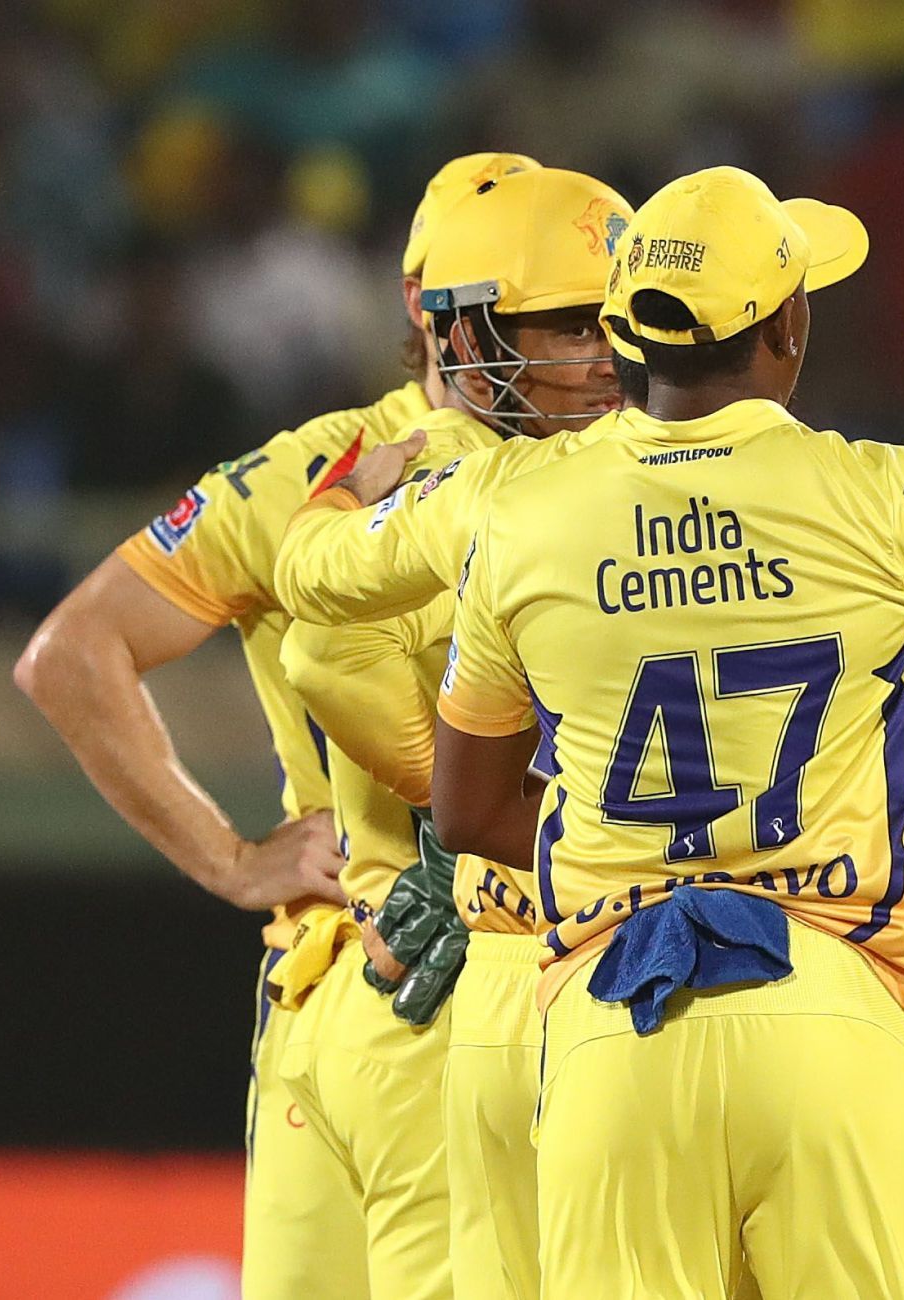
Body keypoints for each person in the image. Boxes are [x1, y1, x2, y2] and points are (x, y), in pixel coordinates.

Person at [429, 158, 904, 1298]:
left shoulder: (522, 515)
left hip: (609, 1023)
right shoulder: (879, 493)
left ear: (627, 335)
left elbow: (467, 808)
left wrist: (650, 859)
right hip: (830, 1008)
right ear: (787, 329)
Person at [11, 152, 538, 1299]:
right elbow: (66, 658)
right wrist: (232, 858)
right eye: (530, 313)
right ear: (425, 309)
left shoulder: (311, 469)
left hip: (324, 1006)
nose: (569, 348)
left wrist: (245, 866)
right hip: (460, 991)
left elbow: (74, 652)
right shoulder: (586, 490)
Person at [273, 164, 632, 1300]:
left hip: (551, 956)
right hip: (473, 961)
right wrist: (455, 806)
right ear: (468, 336)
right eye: (571, 325)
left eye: (614, 321)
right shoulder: (452, 467)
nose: (604, 354)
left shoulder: (573, 466)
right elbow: (317, 649)